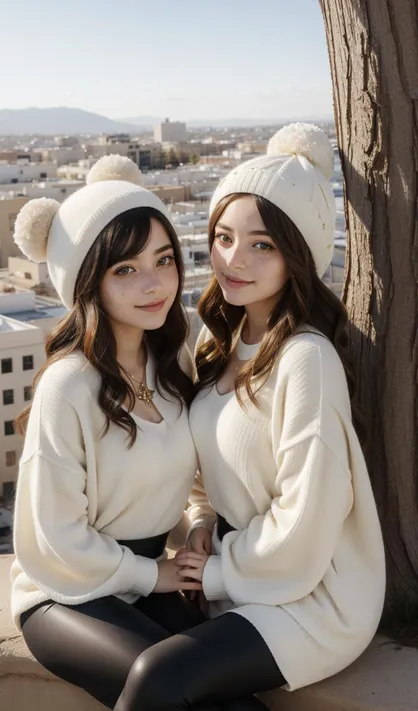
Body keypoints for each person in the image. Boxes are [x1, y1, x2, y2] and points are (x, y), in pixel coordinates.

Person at [110, 124, 386, 711]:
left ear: (298, 255)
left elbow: (306, 520)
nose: (233, 260)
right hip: (245, 579)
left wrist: (215, 572)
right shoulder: (219, 346)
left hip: (314, 597)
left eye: (263, 245)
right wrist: (203, 519)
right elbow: (209, 476)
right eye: (223, 237)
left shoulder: (306, 358)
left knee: (157, 678)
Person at [10, 155, 208, 709]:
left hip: (148, 578)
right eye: (125, 269)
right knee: (167, 687)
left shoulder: (171, 363)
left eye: (164, 260)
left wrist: (198, 525)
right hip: (65, 591)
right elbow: (58, 536)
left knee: (232, 697)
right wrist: (155, 575)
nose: (154, 284)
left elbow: (195, 482)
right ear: (88, 282)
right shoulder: (68, 386)